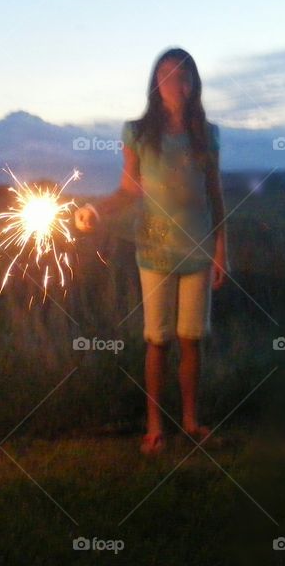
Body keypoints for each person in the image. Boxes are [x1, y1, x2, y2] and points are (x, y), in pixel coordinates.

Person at [75, 47, 227, 455]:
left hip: (198, 248)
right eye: (163, 74)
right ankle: (155, 424)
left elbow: (215, 194)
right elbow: (129, 190)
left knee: (191, 339)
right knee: (158, 341)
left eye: (181, 75)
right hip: (154, 249)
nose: (172, 82)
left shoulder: (206, 134)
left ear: (193, 84)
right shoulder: (138, 133)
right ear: (154, 83)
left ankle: (191, 420)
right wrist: (94, 209)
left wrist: (221, 248)